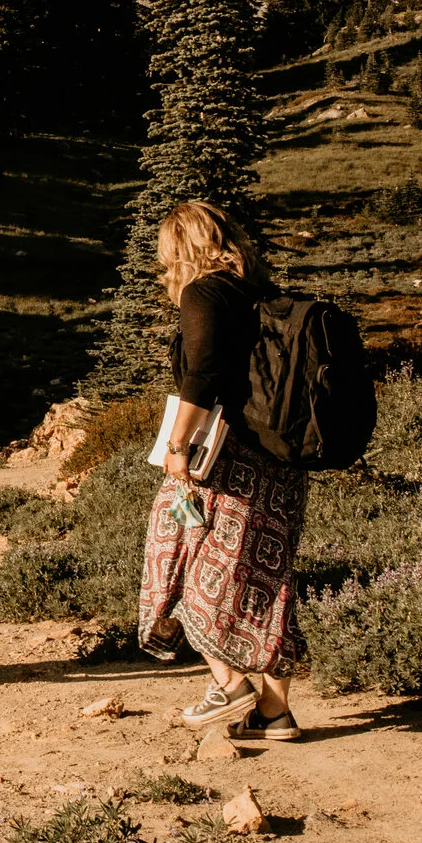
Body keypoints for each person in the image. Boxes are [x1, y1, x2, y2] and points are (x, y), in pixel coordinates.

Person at [137, 201, 306, 742]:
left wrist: (178, 445)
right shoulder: (255, 291)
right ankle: (275, 714)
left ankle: (230, 683)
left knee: (176, 555)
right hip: (281, 461)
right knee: (267, 582)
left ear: (180, 247)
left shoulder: (203, 291)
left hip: (227, 460)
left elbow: (202, 372)